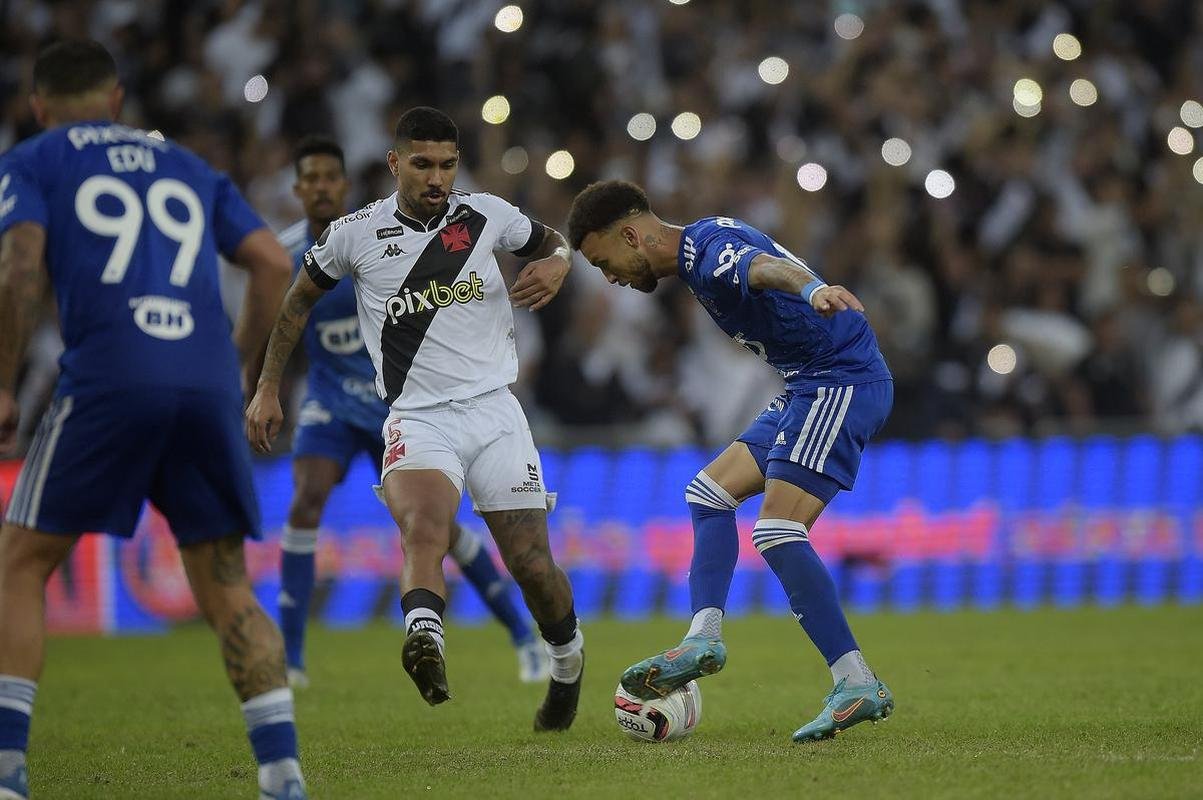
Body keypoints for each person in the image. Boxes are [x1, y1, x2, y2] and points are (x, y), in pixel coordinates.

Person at [0, 41, 306, 799]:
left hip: (109, 376)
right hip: (202, 384)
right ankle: (282, 775)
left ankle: (6, 775)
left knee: (18, 565)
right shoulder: (186, 166)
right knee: (228, 587)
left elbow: (19, 265)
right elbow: (271, 261)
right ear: (115, 99)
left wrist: (1, 384)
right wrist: (238, 369)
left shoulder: (35, 159)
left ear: (39, 107)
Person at [245, 107, 583, 731]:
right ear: (395, 162)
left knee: (532, 564)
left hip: (495, 412)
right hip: (417, 417)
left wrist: (560, 261)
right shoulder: (354, 233)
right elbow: (294, 304)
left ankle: (567, 662)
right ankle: (425, 637)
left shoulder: (485, 214)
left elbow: (553, 242)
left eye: (447, 165)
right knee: (423, 528)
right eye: (423, 164)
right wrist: (268, 388)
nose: (437, 177)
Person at [567, 180, 895, 742]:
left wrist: (814, 287)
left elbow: (764, 267)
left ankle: (856, 681)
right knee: (708, 494)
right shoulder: (700, 252)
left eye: (605, 262)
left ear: (629, 234)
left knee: (777, 529)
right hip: (805, 388)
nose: (611, 276)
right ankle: (704, 636)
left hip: (839, 380)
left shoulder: (703, 251)